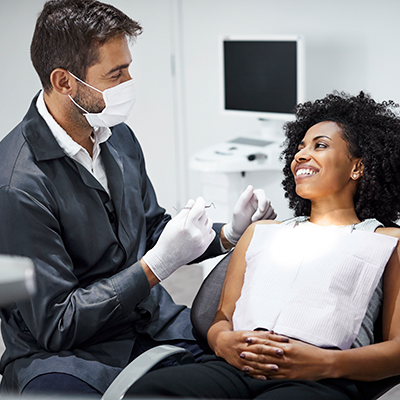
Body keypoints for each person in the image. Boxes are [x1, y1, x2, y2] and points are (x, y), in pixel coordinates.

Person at [0, 0, 276, 396]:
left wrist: (227, 235)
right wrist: (154, 267)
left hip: (151, 321)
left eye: (128, 67)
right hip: (68, 355)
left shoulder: (117, 137)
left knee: (250, 380)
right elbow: (57, 324)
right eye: (117, 73)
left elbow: (151, 229)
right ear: (64, 81)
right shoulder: (17, 184)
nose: (130, 81)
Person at [128, 91, 400, 400]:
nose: (300, 155)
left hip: (318, 381)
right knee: (148, 391)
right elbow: (221, 317)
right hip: (234, 369)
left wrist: (325, 363)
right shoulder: (260, 232)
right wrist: (221, 342)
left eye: (320, 146)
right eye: (299, 148)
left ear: (358, 167)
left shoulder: (387, 241)